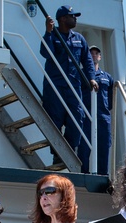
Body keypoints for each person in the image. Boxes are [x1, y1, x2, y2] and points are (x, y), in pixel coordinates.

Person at [40, 6, 96, 172]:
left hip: (74, 86)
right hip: (55, 86)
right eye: (72, 16)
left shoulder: (79, 38)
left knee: (77, 119)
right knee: (55, 120)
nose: (75, 19)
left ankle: (70, 149)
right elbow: (46, 53)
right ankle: (58, 153)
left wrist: (91, 78)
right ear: (63, 19)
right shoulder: (53, 35)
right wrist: (48, 32)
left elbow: (87, 60)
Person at [89, 45, 114, 176]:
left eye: (96, 53)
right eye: (91, 53)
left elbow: (110, 97)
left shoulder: (107, 77)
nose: (94, 55)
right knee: (85, 147)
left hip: (103, 116)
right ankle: (85, 173)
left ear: (100, 56)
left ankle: (103, 175)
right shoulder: (83, 73)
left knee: (104, 146)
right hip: (87, 115)